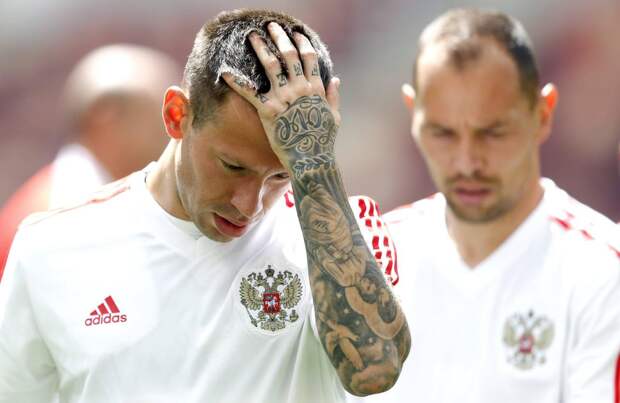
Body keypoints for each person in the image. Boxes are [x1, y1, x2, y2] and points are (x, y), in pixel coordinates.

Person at [0, 9, 410, 403]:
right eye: (233, 166)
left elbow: (376, 372)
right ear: (177, 114)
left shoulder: (345, 234)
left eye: (280, 176)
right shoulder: (49, 247)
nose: (248, 205)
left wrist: (313, 166)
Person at [360, 8, 620, 403]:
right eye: (443, 133)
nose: (467, 162)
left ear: (542, 113)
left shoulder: (602, 272)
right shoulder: (372, 263)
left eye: (493, 132)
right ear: (413, 114)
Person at [0, 44, 181, 279]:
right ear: (106, 117)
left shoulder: (71, 197)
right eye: (163, 114)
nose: (176, 129)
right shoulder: (61, 213)